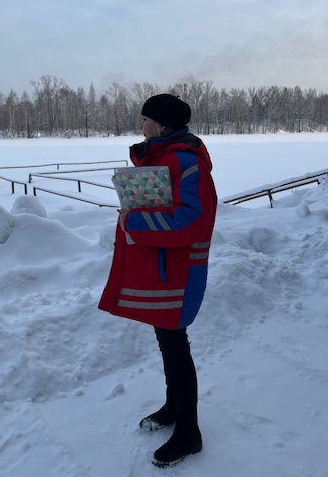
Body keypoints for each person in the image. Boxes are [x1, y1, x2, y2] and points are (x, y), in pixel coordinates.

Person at [99, 93, 217, 468]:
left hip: (178, 275)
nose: (141, 126)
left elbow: (192, 219)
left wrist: (134, 221)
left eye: (145, 120)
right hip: (164, 270)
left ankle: (189, 433)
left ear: (162, 125)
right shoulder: (163, 157)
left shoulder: (185, 161)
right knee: (168, 343)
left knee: (175, 346)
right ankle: (173, 407)